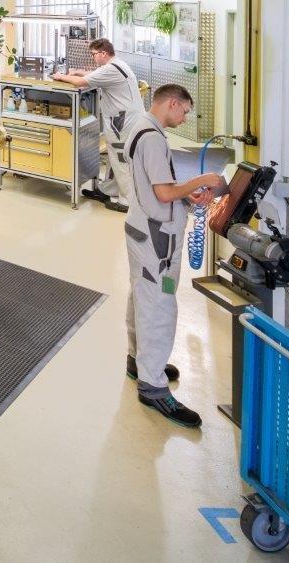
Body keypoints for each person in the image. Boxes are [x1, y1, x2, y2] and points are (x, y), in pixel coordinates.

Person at [124, 84, 225, 428]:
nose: (184, 118)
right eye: (184, 111)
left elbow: (160, 188)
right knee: (159, 305)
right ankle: (152, 386)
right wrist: (201, 180)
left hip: (142, 227)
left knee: (141, 294)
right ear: (171, 103)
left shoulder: (141, 125)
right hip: (156, 238)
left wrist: (186, 195)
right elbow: (164, 192)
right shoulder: (152, 138)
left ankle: (139, 360)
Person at [52, 38, 144, 212]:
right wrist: (79, 72)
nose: (93, 57)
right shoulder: (118, 64)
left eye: (94, 54)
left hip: (122, 121)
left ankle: (127, 201)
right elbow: (95, 74)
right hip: (127, 118)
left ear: (103, 53)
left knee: (121, 159)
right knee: (114, 157)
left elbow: (80, 83)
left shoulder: (110, 69)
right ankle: (108, 190)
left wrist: (60, 76)